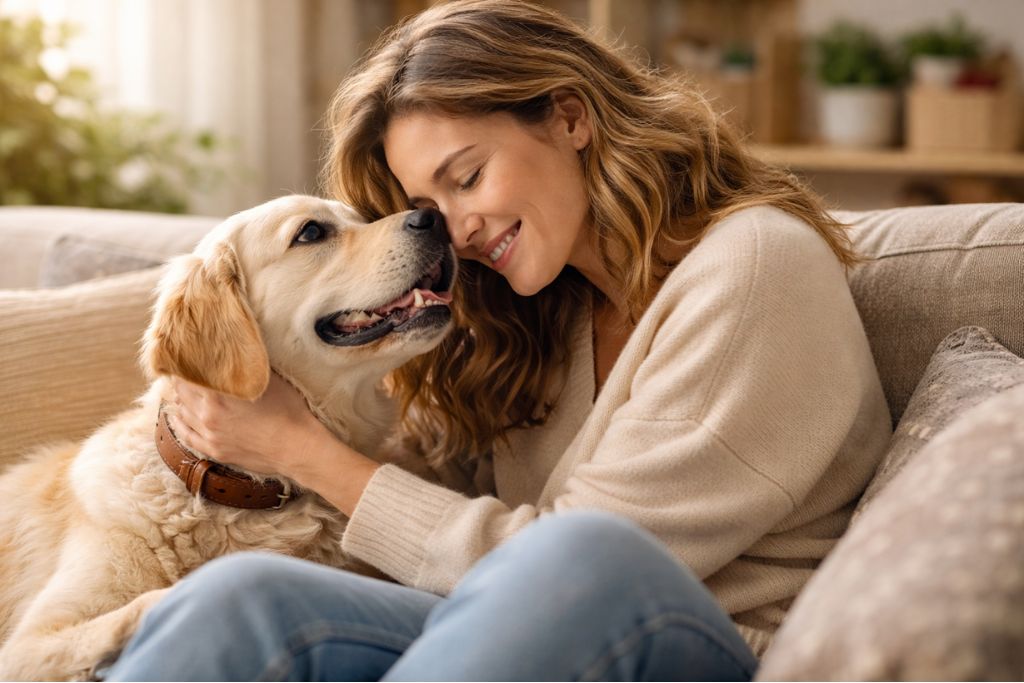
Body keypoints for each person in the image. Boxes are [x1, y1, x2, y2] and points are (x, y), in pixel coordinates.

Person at [107, 0, 892, 680]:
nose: (455, 229)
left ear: (571, 117)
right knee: (240, 598)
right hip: (525, 632)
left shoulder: (754, 266)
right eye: (428, 202)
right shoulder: (548, 308)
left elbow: (565, 566)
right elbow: (444, 502)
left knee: (584, 556)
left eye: (468, 177)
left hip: (707, 648)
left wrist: (304, 450)